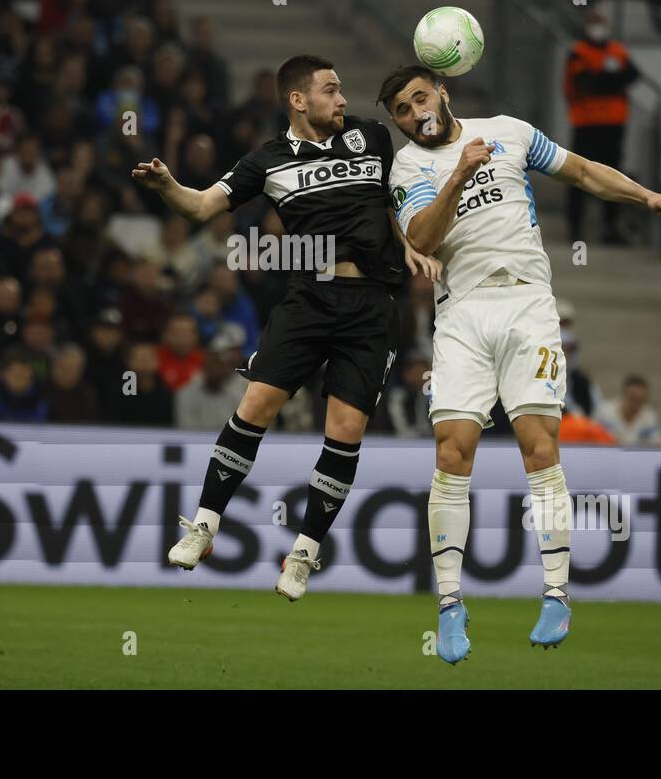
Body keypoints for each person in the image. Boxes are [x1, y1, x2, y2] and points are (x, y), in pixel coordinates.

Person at [379, 63, 661, 662]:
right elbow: (425, 238)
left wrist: (645, 195)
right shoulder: (408, 168)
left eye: (420, 98)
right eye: (402, 113)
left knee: (539, 447)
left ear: (443, 90)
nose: (415, 114)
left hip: (527, 305)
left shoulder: (509, 131)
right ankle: (449, 606)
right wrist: (460, 174)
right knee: (451, 452)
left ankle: (557, 593)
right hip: (461, 314)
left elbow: (584, 171)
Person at [132, 54, 436, 601]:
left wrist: (411, 244)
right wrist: (166, 185)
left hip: (372, 303)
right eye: (330, 90)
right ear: (299, 100)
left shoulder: (371, 137)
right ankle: (204, 524)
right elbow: (201, 207)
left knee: (344, 432)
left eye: (342, 90)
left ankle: (303, 552)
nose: (343, 100)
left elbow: (396, 201)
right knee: (256, 407)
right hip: (309, 297)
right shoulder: (266, 161)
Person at [561, 8, 640, 245]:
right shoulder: (578, 52)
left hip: (613, 124)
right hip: (587, 123)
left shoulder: (616, 50)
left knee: (614, 176)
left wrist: (604, 78)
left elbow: (632, 75)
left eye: (601, 23)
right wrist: (611, 79)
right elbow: (586, 83)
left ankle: (610, 228)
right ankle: (575, 228)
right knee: (578, 175)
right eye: (594, 23)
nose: (598, 28)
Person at [594, 376, 661, 445]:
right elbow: (594, 439)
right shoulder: (604, 412)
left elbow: (656, 442)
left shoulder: (649, 415)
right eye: (633, 399)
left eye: (641, 400)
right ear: (624, 394)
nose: (637, 404)